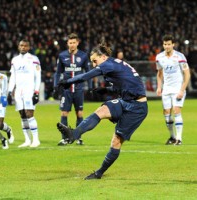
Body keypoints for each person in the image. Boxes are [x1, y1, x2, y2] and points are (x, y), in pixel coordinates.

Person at [56, 41, 148, 180]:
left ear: (103, 57)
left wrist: (67, 82)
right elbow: (128, 85)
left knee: (116, 141)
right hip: (126, 101)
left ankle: (99, 173)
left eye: (95, 61)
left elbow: (86, 76)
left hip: (137, 108)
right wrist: (106, 89)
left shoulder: (108, 64)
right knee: (102, 110)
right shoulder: (115, 64)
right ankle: (73, 134)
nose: (94, 64)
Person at [53, 33, 92, 146]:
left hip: (79, 90)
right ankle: (64, 138)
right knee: (64, 113)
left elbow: (88, 72)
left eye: (74, 42)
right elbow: (58, 73)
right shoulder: (62, 56)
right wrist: (56, 86)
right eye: (70, 43)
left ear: (77, 43)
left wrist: (90, 87)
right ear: (67, 43)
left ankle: (78, 137)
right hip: (66, 91)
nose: (72, 45)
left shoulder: (83, 56)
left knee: (79, 114)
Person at [156, 34, 191, 145]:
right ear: (163, 44)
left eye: (169, 44)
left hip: (178, 88)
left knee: (176, 110)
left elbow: (187, 74)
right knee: (166, 113)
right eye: (165, 44)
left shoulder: (180, 57)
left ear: (173, 45)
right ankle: (172, 137)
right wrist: (159, 87)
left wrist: (182, 90)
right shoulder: (159, 57)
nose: (167, 46)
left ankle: (179, 139)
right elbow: (159, 73)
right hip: (166, 89)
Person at [7, 39, 41, 148]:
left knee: (29, 114)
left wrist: (36, 92)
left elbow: (38, 76)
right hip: (18, 92)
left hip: (29, 90)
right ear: (18, 46)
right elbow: (13, 77)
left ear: (29, 47)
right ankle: (27, 140)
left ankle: (36, 140)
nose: (23, 47)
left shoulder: (33, 59)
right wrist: (9, 91)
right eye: (21, 45)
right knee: (22, 115)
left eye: (25, 46)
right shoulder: (14, 60)